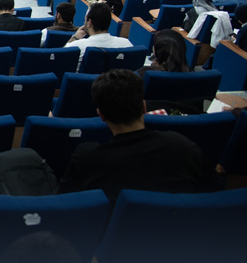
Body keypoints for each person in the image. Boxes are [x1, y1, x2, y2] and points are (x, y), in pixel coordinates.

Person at [59, 69, 214, 202]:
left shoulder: (86, 159)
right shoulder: (183, 147)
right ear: (144, 107)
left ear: (101, 115)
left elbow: (66, 205)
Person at [65, 2, 132, 70]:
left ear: (89, 23)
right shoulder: (126, 44)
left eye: (85, 20)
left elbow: (61, 58)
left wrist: (75, 38)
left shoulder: (76, 46)